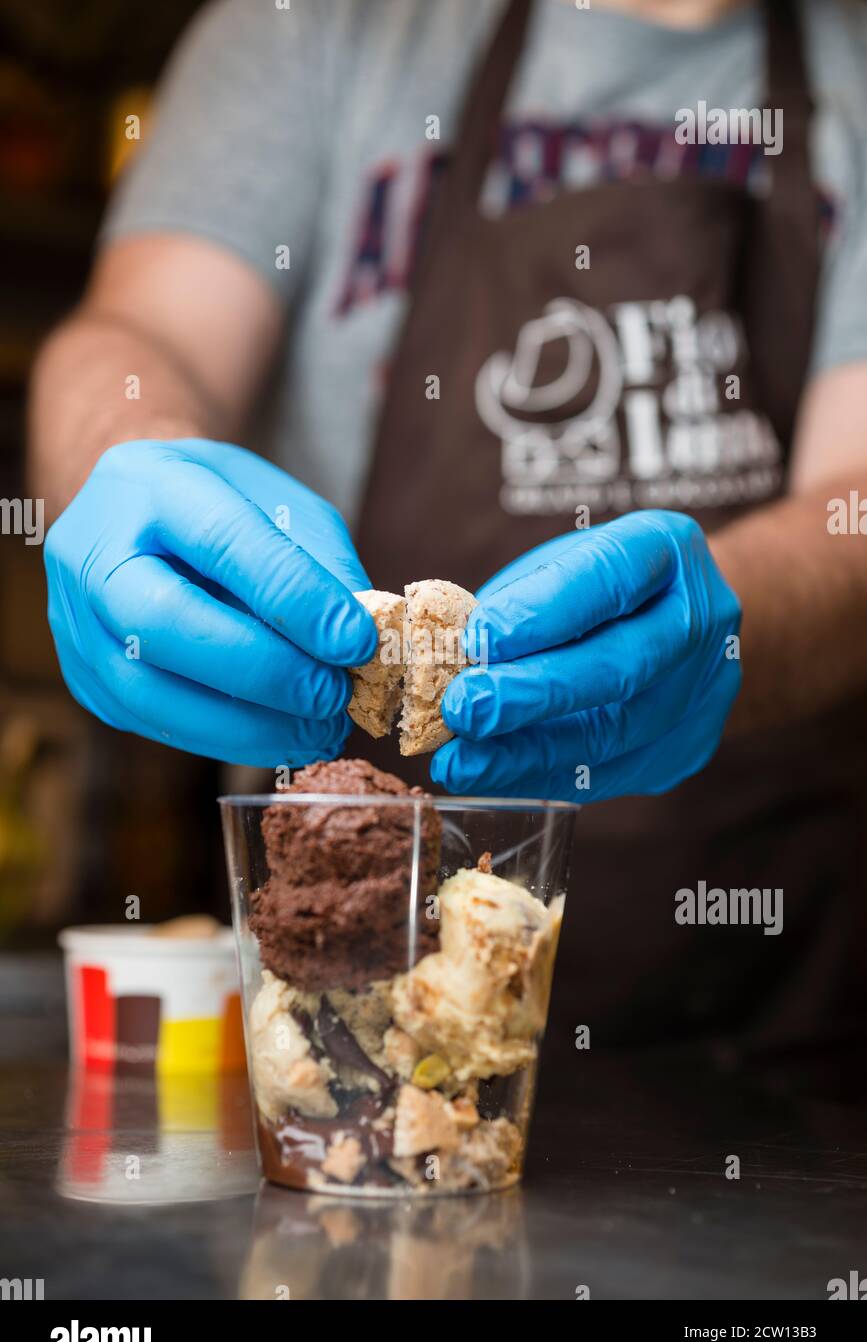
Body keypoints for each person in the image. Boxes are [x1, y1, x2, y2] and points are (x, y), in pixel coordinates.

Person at [28, 0, 867, 1052]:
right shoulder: (317, 28)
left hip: (767, 1022)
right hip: (344, 1002)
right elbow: (143, 330)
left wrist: (734, 625)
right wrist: (119, 458)